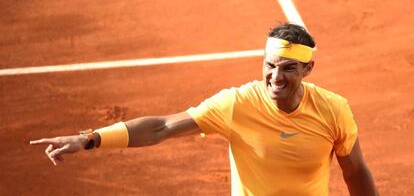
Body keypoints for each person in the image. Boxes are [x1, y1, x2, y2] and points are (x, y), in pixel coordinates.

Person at [30, 23, 378, 196]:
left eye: (287, 68)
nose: (275, 76)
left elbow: (355, 171)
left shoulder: (333, 110)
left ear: (307, 70)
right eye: (269, 65)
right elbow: (162, 127)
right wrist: (90, 138)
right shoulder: (236, 103)